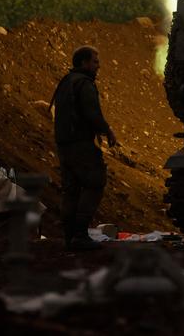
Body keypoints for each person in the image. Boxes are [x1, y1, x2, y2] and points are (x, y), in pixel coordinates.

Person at [49, 45, 117, 252]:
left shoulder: (66, 82)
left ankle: (70, 237)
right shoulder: (84, 84)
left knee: (71, 190)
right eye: (95, 61)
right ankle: (80, 234)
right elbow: (92, 113)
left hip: (64, 145)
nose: (99, 65)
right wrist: (107, 131)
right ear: (83, 63)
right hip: (80, 145)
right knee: (95, 182)